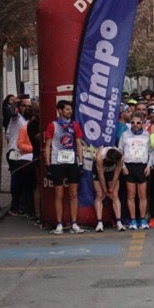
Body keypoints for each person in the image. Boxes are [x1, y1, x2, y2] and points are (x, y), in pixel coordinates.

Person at [43, 100, 85, 234]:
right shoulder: (53, 125)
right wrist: (48, 165)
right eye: (67, 109)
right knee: (59, 194)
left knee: (73, 193)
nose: (70, 111)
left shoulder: (75, 125)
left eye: (70, 109)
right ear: (60, 110)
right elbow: (48, 146)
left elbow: (79, 144)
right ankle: (59, 224)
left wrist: (81, 162)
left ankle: (74, 223)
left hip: (72, 162)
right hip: (57, 163)